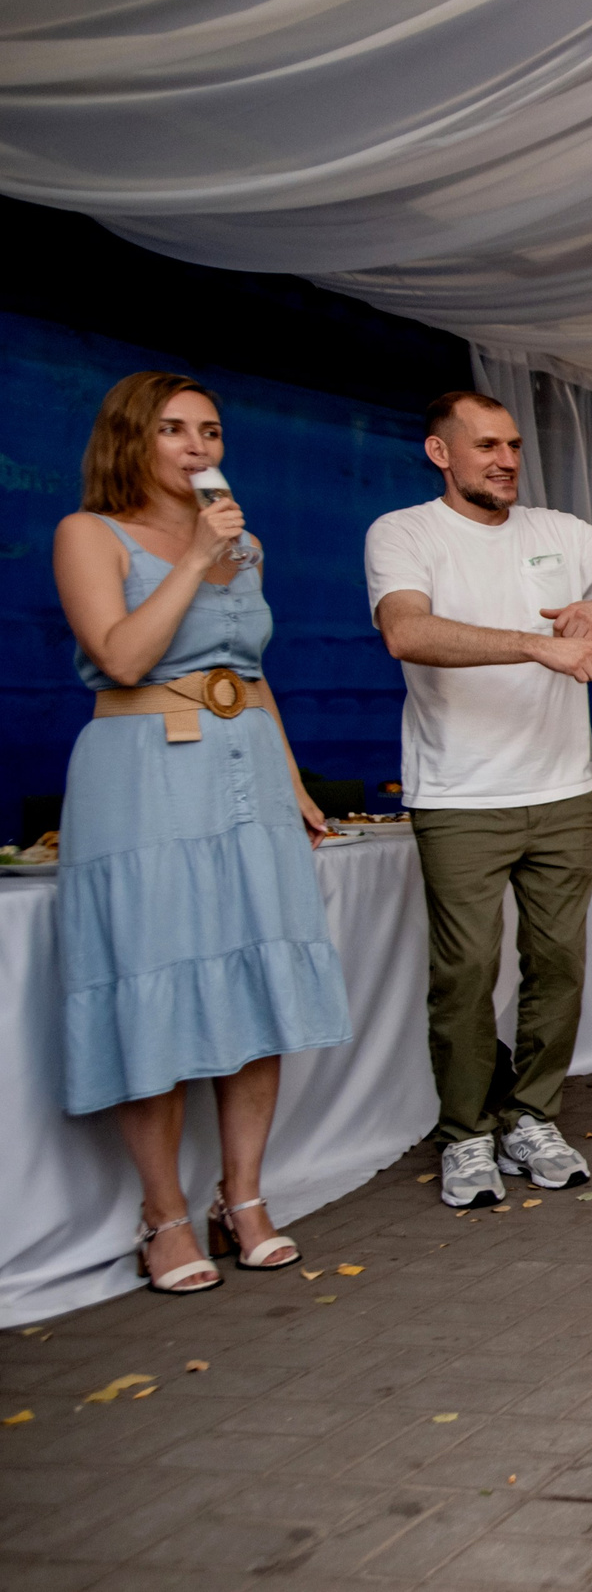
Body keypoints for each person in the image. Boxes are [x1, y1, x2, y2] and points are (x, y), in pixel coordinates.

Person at [52, 373, 354, 1293]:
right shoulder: (85, 534)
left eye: (211, 431)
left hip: (243, 766)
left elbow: (249, 670)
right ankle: (163, 1214)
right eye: (175, 430)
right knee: (156, 975)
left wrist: (293, 783)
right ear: (131, 441)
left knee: (257, 971)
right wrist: (192, 556)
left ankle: (245, 1196)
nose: (198, 446)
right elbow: (123, 654)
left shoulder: (246, 542)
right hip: (141, 768)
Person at [367, 390, 592, 1209]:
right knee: (467, 970)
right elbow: (406, 631)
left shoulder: (558, 530)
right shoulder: (403, 532)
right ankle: (466, 1133)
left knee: (558, 964)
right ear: (441, 453)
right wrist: (537, 644)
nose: (506, 458)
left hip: (561, 790)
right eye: (485, 445)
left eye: (512, 444)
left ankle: (533, 1114)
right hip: (459, 795)